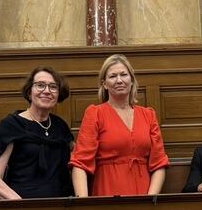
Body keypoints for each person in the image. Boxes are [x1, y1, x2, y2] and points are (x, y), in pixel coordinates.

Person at [70, 54, 169, 196]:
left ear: (132, 80)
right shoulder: (95, 113)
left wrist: (150, 199)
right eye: (112, 76)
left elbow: (159, 163)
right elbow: (80, 163)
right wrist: (84, 204)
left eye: (124, 75)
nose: (119, 80)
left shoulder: (148, 115)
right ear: (104, 84)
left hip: (144, 194)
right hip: (107, 193)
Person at [0, 66, 73, 199]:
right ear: (30, 92)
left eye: (53, 87)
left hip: (59, 209)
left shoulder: (61, 126)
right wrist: (21, 206)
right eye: (40, 85)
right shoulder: (11, 125)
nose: (47, 91)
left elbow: (77, 162)